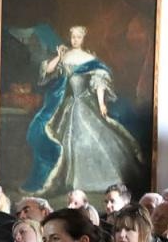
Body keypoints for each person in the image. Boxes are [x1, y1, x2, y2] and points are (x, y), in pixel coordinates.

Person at [22, 26, 146, 196]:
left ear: (83, 39)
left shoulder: (89, 59)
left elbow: (99, 82)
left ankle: (97, 180)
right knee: (62, 139)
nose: (75, 40)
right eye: (72, 37)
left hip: (86, 103)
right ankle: (67, 180)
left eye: (78, 37)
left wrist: (102, 103)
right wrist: (58, 56)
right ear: (69, 37)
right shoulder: (64, 57)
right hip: (69, 104)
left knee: (94, 137)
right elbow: (48, 71)